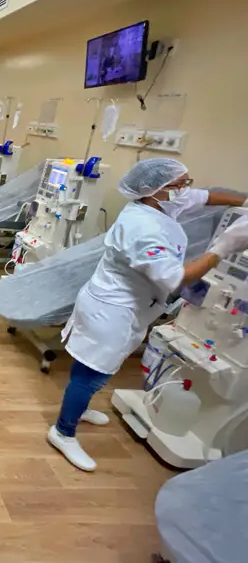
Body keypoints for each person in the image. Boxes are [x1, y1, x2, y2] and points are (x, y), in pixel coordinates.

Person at [48, 158, 248, 472]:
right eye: (179, 184)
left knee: (92, 367)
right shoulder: (143, 228)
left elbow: (206, 196)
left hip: (125, 307)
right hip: (112, 311)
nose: (186, 189)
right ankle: (63, 431)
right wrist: (223, 247)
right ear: (153, 190)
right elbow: (176, 278)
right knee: (92, 374)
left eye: (186, 181)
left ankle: (79, 408)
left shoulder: (162, 203)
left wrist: (244, 202)